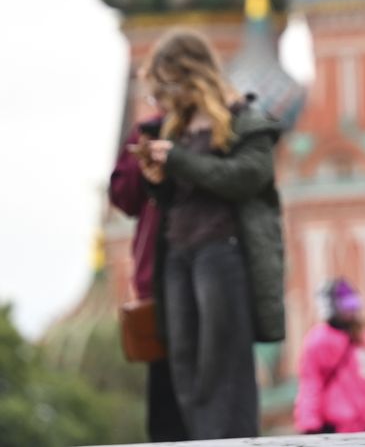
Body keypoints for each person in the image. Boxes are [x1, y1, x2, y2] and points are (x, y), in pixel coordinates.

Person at [135, 28, 285, 439]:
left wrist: (180, 161)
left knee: (222, 360)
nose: (161, 101)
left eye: (164, 89)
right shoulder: (174, 128)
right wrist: (156, 177)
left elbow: (245, 178)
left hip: (222, 251)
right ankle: (199, 439)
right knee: (184, 361)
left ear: (188, 76)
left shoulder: (242, 120)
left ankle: (229, 440)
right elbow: (174, 195)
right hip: (179, 252)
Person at [109, 112, 189, 443]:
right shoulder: (147, 128)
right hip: (160, 281)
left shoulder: (215, 121)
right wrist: (142, 150)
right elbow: (123, 196)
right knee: (166, 401)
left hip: (203, 272)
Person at [294, 278, 365, 434]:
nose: (351, 312)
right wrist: (309, 423)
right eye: (346, 307)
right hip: (333, 428)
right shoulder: (318, 341)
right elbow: (310, 384)